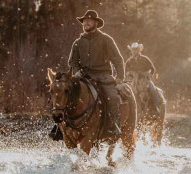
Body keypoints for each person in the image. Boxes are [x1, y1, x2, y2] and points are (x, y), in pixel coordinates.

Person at [58, 9, 126, 138]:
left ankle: (113, 126)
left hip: (103, 75)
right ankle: (60, 128)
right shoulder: (77, 42)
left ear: (96, 23)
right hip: (83, 75)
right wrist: (77, 72)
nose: (86, 23)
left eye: (89, 21)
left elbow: (117, 59)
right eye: (84, 21)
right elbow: (72, 62)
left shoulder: (106, 39)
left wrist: (120, 77)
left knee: (112, 97)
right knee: (65, 92)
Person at [126, 42, 162, 114]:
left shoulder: (145, 59)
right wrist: (128, 75)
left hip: (144, 79)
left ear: (139, 50)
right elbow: (125, 70)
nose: (134, 51)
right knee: (126, 92)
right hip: (133, 80)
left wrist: (149, 75)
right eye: (133, 50)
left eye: (135, 50)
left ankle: (156, 107)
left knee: (153, 90)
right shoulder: (129, 61)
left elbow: (152, 69)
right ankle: (127, 110)